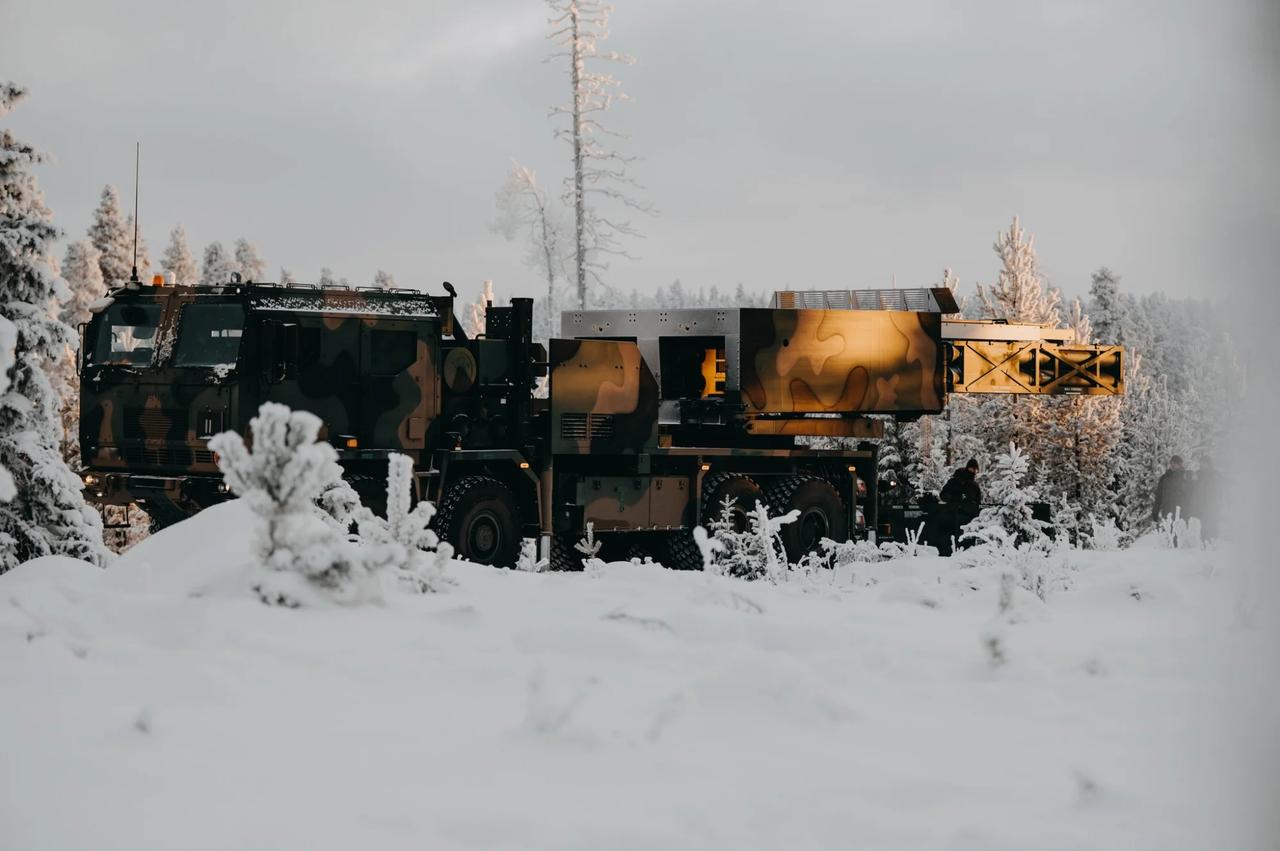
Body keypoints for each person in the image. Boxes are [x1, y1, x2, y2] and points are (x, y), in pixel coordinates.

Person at [929, 458, 981, 554]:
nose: (973, 471)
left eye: (975, 469)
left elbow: (978, 502)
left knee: (965, 541)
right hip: (951, 515)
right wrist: (955, 498)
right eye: (972, 468)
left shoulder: (974, 486)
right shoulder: (955, 481)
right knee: (948, 539)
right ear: (967, 468)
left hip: (967, 517)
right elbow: (943, 495)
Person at [1151, 455, 1190, 523]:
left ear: (1180, 465)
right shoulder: (1165, 478)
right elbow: (1159, 496)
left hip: (1182, 514)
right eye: (1171, 463)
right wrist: (1155, 511)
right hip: (1167, 513)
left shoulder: (1186, 477)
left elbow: (1191, 495)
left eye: (1175, 463)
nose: (1173, 465)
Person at [1192, 456, 1222, 541]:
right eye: (1200, 463)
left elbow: (1220, 491)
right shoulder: (1197, 475)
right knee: (1203, 528)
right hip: (1200, 506)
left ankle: (1212, 546)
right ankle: (1204, 545)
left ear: (1209, 464)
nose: (1201, 465)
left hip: (1212, 505)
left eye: (1203, 463)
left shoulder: (1215, 475)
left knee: (1212, 527)